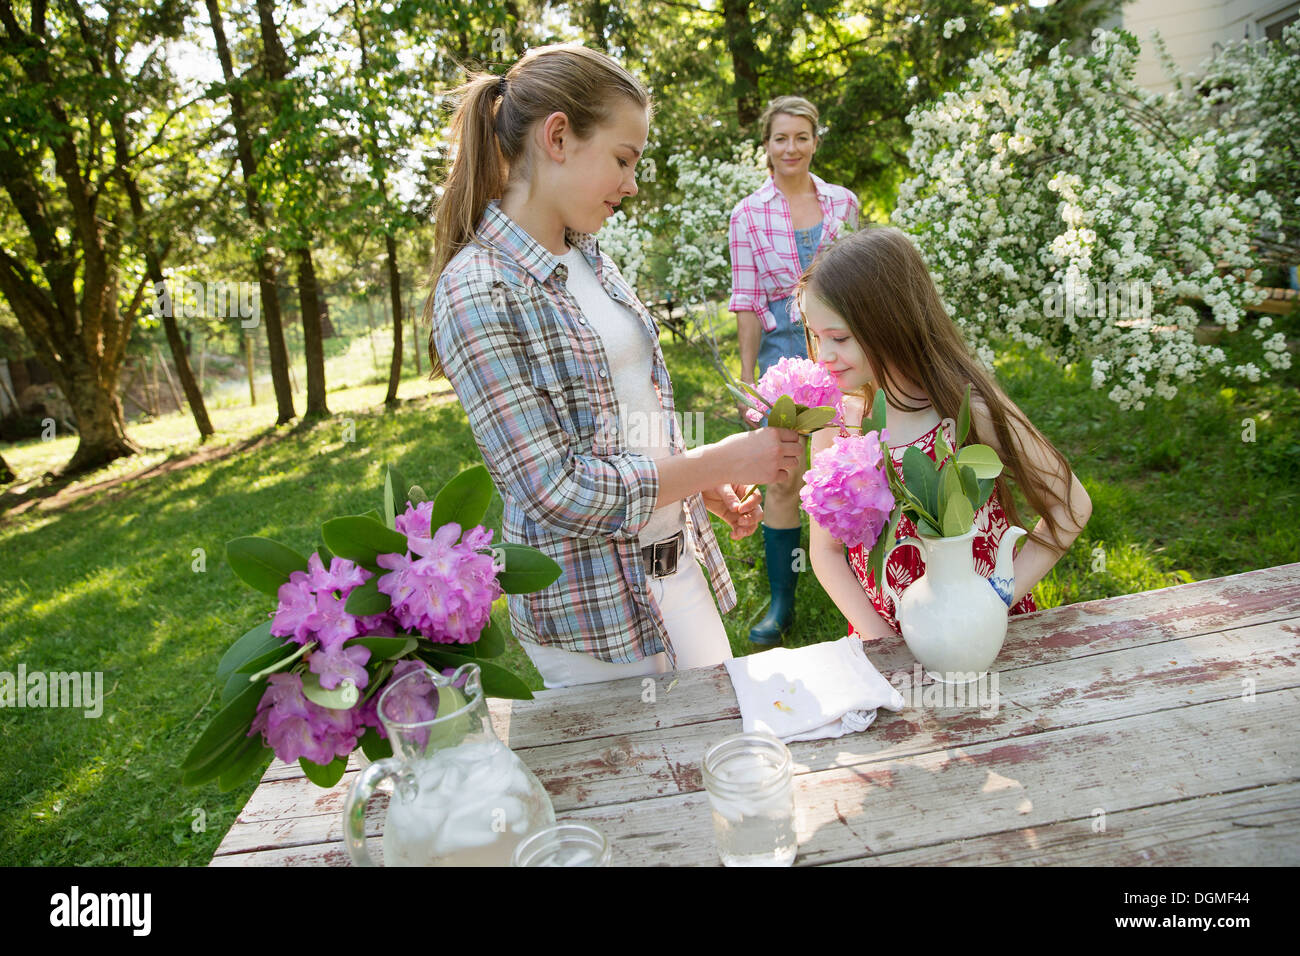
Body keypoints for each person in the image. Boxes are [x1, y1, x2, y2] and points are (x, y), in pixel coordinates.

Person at [426, 44, 803, 689]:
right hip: (593, 613)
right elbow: (553, 489)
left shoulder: (589, 257)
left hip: (675, 568)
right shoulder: (476, 291)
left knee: (727, 751)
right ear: (557, 137)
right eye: (623, 160)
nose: (631, 184)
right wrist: (720, 463)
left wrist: (692, 482)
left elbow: (623, 405)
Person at [801, 227, 1093, 641]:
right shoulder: (836, 423)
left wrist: (994, 604)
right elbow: (826, 552)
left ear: (889, 323)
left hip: (981, 638)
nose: (824, 354)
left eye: (839, 338)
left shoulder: (967, 408)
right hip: (883, 638)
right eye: (815, 335)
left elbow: (1071, 505)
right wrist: (881, 642)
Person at [728, 95, 860, 646]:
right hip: (783, 352)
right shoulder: (747, 215)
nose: (791, 148)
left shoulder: (843, 203)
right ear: (766, 146)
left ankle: (858, 585)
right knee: (782, 477)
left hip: (842, 348)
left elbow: (861, 283)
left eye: (801, 137)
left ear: (815, 141)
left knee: (847, 471)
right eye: (780, 138)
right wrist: (749, 381)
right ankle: (783, 602)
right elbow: (745, 300)